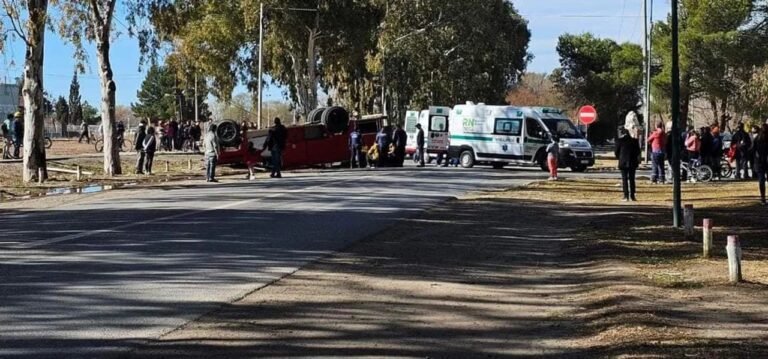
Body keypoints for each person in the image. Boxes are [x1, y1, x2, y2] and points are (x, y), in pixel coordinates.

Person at [615, 128, 641, 202]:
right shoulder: (634, 141)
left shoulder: (620, 141)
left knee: (624, 179)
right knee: (632, 179)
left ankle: (626, 196)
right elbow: (638, 152)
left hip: (623, 162)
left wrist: (619, 158)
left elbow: (616, 152)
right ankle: (632, 196)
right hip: (632, 162)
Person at [754, 124, 768, 205]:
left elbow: (752, 149)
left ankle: (763, 198)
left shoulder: (757, 139)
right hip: (765, 161)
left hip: (759, 162)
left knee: (761, 180)